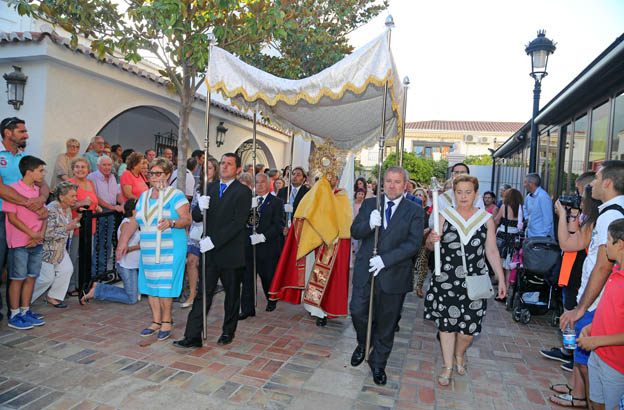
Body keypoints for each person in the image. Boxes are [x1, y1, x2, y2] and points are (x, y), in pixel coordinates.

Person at [425, 174, 506, 387]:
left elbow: (492, 251)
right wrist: (431, 241)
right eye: (459, 192)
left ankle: (460, 352)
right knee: (446, 325)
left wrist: (502, 279)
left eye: (468, 192)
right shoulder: (444, 216)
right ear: (454, 194)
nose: (463, 196)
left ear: (476, 193)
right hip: (446, 281)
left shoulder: (486, 220)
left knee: (468, 330)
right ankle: (448, 365)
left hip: (475, 282)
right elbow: (430, 247)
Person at [557, 161, 624, 408]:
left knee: (590, 366)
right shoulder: (608, 212)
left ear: (607, 182)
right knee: (586, 364)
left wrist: (581, 308)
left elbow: (603, 265)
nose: (591, 184)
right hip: (597, 303)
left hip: (597, 304)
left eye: (596, 178)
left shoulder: (613, 214)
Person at [349, 166, 423, 385]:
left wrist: (385, 260)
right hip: (366, 271)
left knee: (386, 323)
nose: (391, 186)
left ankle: (378, 363)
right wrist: (369, 224)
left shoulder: (415, 210)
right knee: (357, 312)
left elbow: (413, 243)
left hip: (394, 274)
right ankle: (364, 343)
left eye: (397, 182)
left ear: (405, 185)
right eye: (388, 181)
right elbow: (355, 231)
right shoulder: (372, 204)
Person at [173, 153, 251, 348]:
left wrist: (213, 241)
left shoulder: (243, 192)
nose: (224, 167)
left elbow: (237, 223)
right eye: (223, 163)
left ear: (237, 169)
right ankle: (192, 336)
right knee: (202, 294)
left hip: (230, 252)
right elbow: (198, 217)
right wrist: (201, 207)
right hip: (211, 253)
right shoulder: (211, 187)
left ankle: (228, 332)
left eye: (229, 164)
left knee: (231, 295)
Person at [117, 158, 191, 340]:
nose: (154, 177)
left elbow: (187, 220)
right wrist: (123, 241)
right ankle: (156, 320)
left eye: (158, 173)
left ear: (167, 175)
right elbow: (135, 220)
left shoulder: (176, 195)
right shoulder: (144, 196)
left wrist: (171, 222)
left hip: (171, 247)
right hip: (149, 248)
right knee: (150, 284)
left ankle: (167, 320)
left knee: (165, 285)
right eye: (151, 173)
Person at [270, 172, 351, 327]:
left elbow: (344, 222)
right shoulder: (312, 195)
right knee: (311, 278)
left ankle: (324, 312)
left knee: (327, 281)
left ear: (337, 180)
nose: (330, 180)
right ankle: (313, 308)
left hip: (332, 246)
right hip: (314, 245)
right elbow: (303, 215)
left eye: (333, 177)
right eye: (326, 177)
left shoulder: (342, 197)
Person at [548, 184, 602, 407]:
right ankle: (576, 389)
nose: (578, 200)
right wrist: (571, 217)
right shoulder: (590, 219)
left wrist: (561, 216)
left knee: (580, 340)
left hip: (583, 285)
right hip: (576, 280)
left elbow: (567, 242)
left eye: (581, 196)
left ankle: (583, 396)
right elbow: (572, 234)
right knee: (576, 338)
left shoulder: (599, 220)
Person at [0, 118, 49, 321]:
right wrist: (28, 201)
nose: (26, 135)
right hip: (6, 216)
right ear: (7, 132)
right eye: (22, 131)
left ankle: (22, 310)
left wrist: (41, 199)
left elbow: (44, 186)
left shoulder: (25, 158)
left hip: (27, 220)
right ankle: (11, 313)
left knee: (22, 272)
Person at [576, 219, 624, 410]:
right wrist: (592, 327)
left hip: (615, 364)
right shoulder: (615, 272)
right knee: (596, 403)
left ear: (620, 244)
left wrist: (596, 342)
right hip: (598, 355)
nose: (604, 246)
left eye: (608, 240)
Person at [5, 155, 48, 330]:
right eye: (40, 171)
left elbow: (44, 215)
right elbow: (12, 218)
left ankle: (25, 310)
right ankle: (14, 314)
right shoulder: (13, 189)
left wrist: (40, 234)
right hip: (20, 242)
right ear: (29, 172)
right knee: (17, 278)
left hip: (36, 241)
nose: (43, 174)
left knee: (31, 277)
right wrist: (32, 233)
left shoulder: (38, 192)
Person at [239, 173, 285, 319]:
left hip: (267, 247)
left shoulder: (276, 202)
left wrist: (263, 236)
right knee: (247, 279)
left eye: (262, 182)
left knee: (267, 277)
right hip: (249, 246)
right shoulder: (249, 200)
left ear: (268, 183)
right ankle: (247, 309)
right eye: (257, 182)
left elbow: (278, 225)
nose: (259, 185)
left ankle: (271, 299)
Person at [82, 199, 141, 305]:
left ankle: (99, 288)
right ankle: (98, 291)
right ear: (133, 211)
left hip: (133, 264)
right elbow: (123, 248)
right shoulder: (127, 224)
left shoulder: (135, 224)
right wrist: (139, 247)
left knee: (133, 294)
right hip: (126, 265)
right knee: (132, 299)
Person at [32, 181, 79, 308]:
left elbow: (67, 227)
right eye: (72, 196)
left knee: (67, 269)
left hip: (60, 249)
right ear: (62, 197)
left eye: (76, 195)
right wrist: (67, 227)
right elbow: (47, 234)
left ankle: (53, 296)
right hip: (48, 250)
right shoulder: (51, 209)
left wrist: (73, 224)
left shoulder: (67, 208)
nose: (76, 198)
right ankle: (25, 301)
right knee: (46, 279)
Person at [182, 156, 220, 309]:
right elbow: (193, 208)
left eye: (210, 168)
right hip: (196, 228)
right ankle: (192, 294)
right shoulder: (198, 186)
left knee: (208, 264)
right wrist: (187, 228)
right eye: (205, 168)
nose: (206, 170)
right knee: (192, 261)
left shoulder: (219, 186)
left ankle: (205, 293)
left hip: (212, 229)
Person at [67, 157, 101, 296]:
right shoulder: (70, 183)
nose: (80, 170)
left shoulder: (91, 183)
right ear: (73, 169)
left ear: (88, 170)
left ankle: (83, 283)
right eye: (77, 167)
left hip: (90, 225)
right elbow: (66, 204)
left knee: (86, 256)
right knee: (73, 257)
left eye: (83, 167)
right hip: (76, 225)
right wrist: (80, 203)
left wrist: (97, 207)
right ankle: (70, 286)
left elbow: (93, 201)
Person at [88, 155, 123, 276]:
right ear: (98, 166)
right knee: (97, 243)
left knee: (107, 243)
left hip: (110, 213)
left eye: (109, 165)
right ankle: (93, 273)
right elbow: (95, 196)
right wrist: (112, 207)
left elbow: (118, 194)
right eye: (104, 165)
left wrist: (123, 204)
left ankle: (102, 271)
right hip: (99, 212)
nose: (107, 167)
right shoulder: (92, 177)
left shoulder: (113, 177)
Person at [493, 188, 523, 299]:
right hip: (514, 238)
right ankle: (508, 291)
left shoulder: (504, 207)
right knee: (510, 265)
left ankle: (501, 291)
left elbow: (496, 221)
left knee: (502, 265)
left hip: (503, 237)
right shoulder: (520, 209)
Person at [277, 167, 310, 232]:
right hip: (283, 227)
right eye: (293, 174)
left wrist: (293, 210)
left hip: (299, 227)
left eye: (298, 175)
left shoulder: (307, 193)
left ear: (303, 179)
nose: (295, 176)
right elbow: (277, 210)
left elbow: (308, 210)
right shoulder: (282, 191)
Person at [413, 187, 432, 298]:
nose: (419, 197)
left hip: (424, 241)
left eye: (421, 195)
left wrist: (427, 229)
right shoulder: (410, 209)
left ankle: (419, 287)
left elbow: (432, 223)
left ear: (425, 197)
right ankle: (409, 284)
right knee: (410, 265)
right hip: (411, 241)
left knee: (422, 264)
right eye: (416, 195)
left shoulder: (428, 210)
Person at [523, 172, 554, 238]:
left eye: (525, 182)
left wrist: (544, 236)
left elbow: (548, 219)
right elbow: (524, 207)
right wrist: (526, 218)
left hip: (540, 236)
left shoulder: (543, 196)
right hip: (530, 233)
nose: (524, 185)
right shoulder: (528, 196)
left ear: (531, 184)